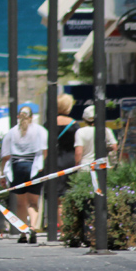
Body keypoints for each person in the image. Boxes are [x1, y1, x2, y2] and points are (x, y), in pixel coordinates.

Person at [0, 105, 47, 244]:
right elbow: (44, 151)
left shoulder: (11, 132)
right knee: (33, 202)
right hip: (34, 166)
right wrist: (41, 164)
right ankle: (32, 227)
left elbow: (5, 156)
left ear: (18, 117)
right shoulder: (40, 130)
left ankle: (23, 231)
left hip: (17, 167)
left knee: (21, 204)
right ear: (32, 117)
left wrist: (3, 175)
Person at [53, 94, 79, 229]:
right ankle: (72, 227)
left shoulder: (49, 123)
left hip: (55, 161)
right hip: (71, 160)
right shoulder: (74, 124)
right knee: (71, 195)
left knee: (58, 199)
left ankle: (63, 229)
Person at [74, 105, 118, 169]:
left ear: (84, 119)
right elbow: (114, 147)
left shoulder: (80, 132)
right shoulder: (107, 130)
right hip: (102, 166)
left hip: (86, 167)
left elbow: (79, 152)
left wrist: (76, 164)